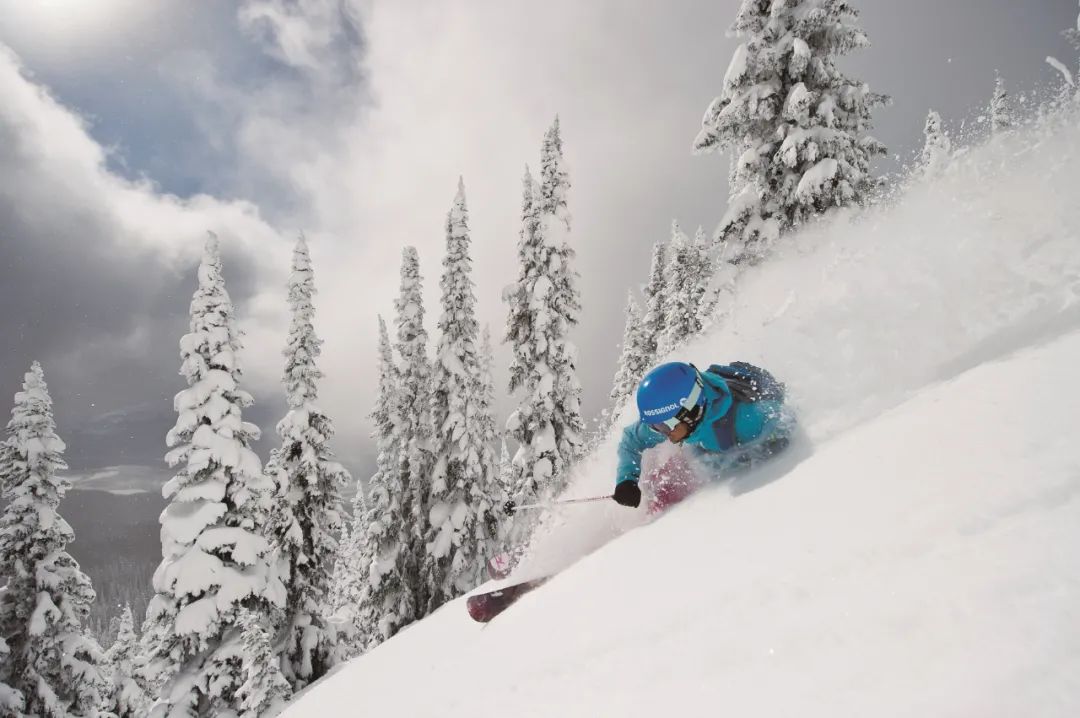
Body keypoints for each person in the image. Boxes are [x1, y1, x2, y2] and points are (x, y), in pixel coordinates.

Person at [613, 361, 793, 508]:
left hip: (732, 442)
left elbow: (786, 420)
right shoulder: (678, 419)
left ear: (690, 412)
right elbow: (631, 439)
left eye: (665, 426)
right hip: (710, 441)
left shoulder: (748, 420)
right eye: (656, 427)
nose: (664, 434)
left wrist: (766, 450)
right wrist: (626, 480)